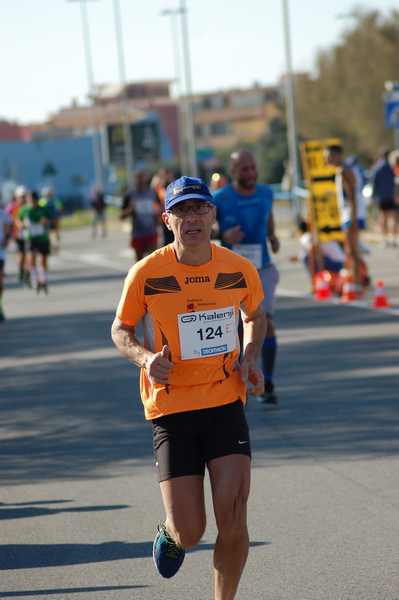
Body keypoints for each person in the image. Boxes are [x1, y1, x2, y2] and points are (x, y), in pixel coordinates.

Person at [111, 176, 266, 599]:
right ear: (167, 220)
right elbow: (121, 330)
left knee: (233, 517)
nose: (192, 218)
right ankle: (172, 533)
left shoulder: (238, 269)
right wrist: (145, 359)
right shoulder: (147, 273)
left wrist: (250, 355)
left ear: (213, 215)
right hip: (172, 409)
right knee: (191, 530)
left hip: (224, 399)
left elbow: (255, 315)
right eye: (182, 211)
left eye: (200, 209)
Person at [213, 149, 280, 405]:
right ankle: (236, 381)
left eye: (253, 167)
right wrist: (222, 236)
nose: (250, 173)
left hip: (261, 268)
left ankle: (269, 381)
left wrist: (272, 237)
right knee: (237, 328)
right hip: (230, 272)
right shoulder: (220, 198)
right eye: (244, 169)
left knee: (265, 320)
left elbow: (269, 218)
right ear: (233, 172)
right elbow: (206, 227)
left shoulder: (266, 193)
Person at [325, 144, 362, 293]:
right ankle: (354, 279)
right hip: (348, 213)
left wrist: (352, 217)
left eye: (328, 156)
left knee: (353, 250)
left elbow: (352, 195)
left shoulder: (344, 170)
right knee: (350, 250)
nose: (326, 159)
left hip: (351, 214)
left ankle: (357, 281)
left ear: (337, 155)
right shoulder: (341, 170)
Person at [18, 190, 52, 293]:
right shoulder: (24, 210)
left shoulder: (43, 209)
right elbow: (18, 221)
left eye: (33, 200)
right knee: (31, 259)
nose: (31, 202)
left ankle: (43, 279)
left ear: (37, 200)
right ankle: (35, 280)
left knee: (43, 259)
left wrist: (45, 222)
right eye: (29, 200)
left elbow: (48, 221)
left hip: (42, 238)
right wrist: (22, 225)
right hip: (30, 238)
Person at [121, 171, 160, 260]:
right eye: (138, 178)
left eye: (142, 178)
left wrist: (157, 213)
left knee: (154, 261)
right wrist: (130, 209)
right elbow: (121, 216)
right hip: (137, 234)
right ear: (135, 180)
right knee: (139, 262)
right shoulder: (130, 195)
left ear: (146, 179)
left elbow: (160, 209)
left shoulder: (153, 193)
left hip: (151, 232)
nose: (140, 181)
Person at [370, 150, 396, 247]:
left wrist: (373, 197)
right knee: (393, 218)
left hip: (382, 197)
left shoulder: (378, 169)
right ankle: (393, 239)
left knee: (383, 218)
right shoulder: (393, 168)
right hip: (392, 196)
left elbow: (374, 184)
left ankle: (385, 240)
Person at [6, 185, 29, 284]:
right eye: (21, 196)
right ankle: (21, 271)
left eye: (24, 196)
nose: (23, 198)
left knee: (28, 254)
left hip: (29, 234)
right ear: (16, 197)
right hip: (17, 234)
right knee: (21, 254)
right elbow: (6, 219)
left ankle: (27, 273)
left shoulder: (29, 205)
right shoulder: (12, 207)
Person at [39, 185, 63, 251]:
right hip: (49, 219)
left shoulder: (49, 200)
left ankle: (55, 244)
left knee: (53, 232)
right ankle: (53, 244)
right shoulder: (44, 201)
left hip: (52, 218)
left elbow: (60, 208)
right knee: (51, 232)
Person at [0, 197, 12, 321]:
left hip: (0, 253)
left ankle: (0, 305)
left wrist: (6, 239)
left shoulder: (3, 214)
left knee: (0, 281)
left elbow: (8, 228)